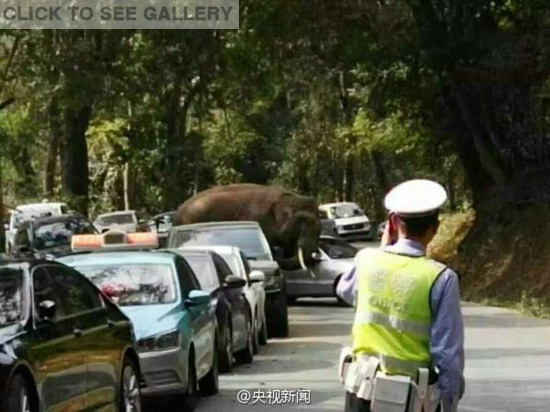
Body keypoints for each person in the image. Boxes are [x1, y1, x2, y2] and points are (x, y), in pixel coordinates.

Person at [337, 179, 464, 412]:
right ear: (435, 228)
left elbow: (344, 291)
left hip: (360, 393)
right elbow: (447, 355)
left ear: (393, 223)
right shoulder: (442, 278)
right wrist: (450, 402)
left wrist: (383, 249)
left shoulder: (366, 260)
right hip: (413, 400)